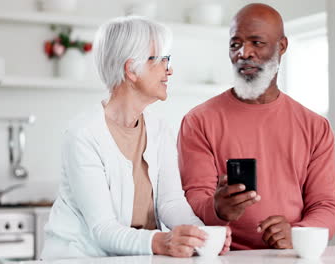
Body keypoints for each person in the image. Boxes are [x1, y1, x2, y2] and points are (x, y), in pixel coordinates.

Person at [41, 16, 231, 259]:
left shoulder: (159, 129)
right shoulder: (83, 134)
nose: (169, 69)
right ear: (131, 69)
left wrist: (202, 236)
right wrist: (161, 241)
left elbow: (171, 202)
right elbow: (103, 229)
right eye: (161, 59)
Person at [178, 3, 335, 250]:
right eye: (235, 44)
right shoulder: (198, 120)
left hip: (290, 255)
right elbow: (193, 199)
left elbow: (326, 206)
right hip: (224, 256)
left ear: (282, 46)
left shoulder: (315, 126)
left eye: (257, 42)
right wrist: (216, 208)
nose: (244, 53)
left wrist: (297, 235)